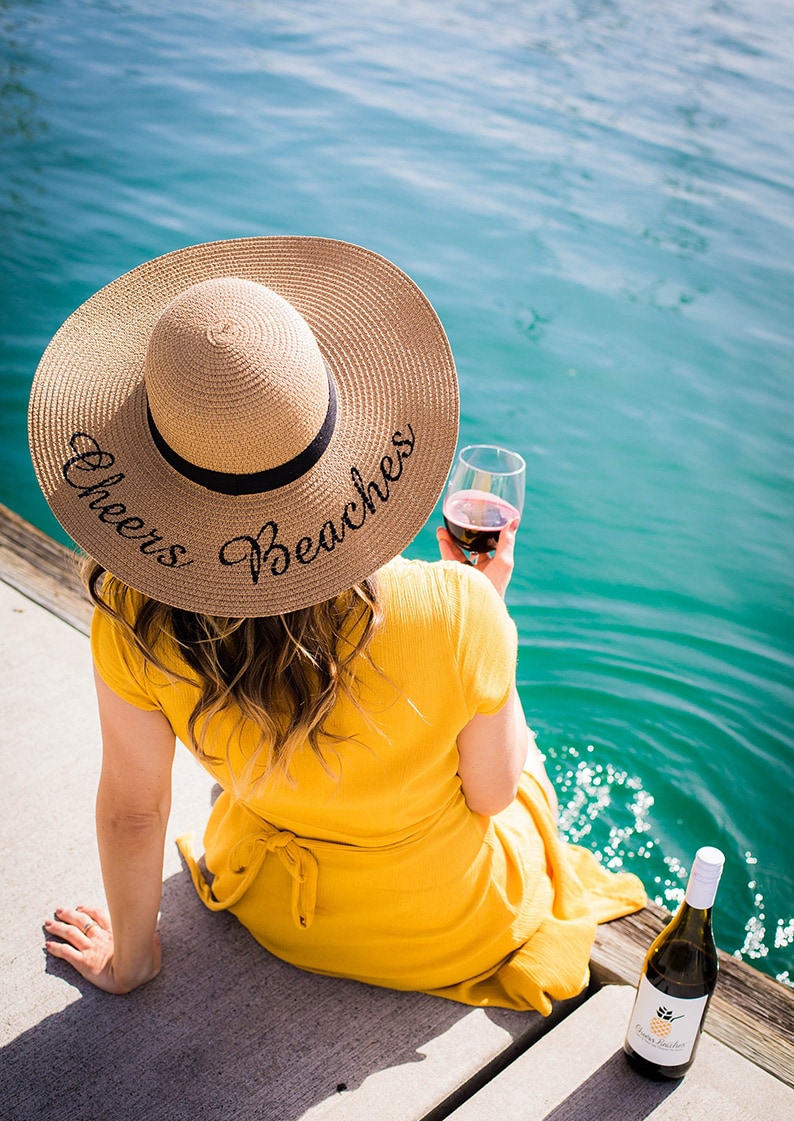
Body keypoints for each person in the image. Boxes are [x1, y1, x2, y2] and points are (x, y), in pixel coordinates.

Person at [30, 236, 645, 1011]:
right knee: (525, 761)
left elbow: (132, 808)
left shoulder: (134, 620)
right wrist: (488, 612)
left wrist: (134, 958)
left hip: (279, 912)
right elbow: (489, 795)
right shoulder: (459, 609)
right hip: (445, 926)